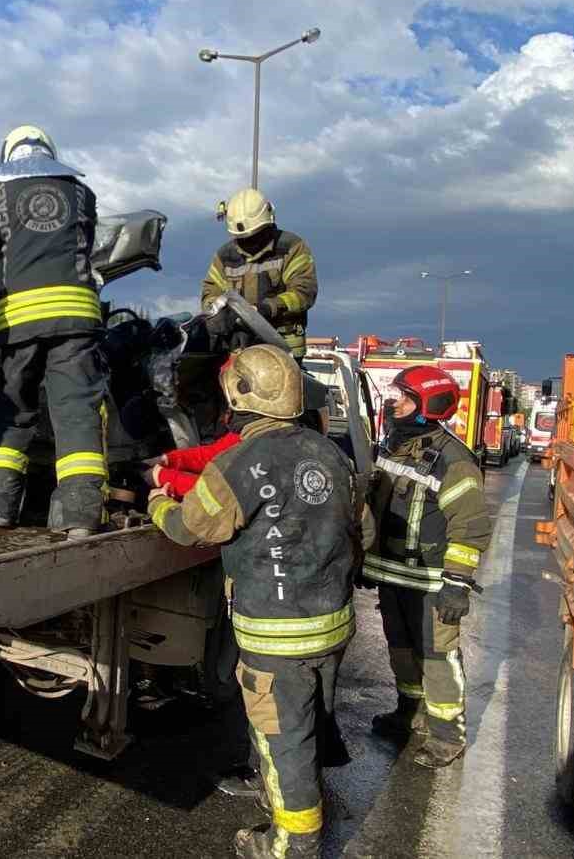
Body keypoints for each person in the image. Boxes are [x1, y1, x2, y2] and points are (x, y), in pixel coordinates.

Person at [146, 344, 358, 859]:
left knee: (282, 738)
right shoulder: (329, 453)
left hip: (275, 631)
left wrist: (156, 502)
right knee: (308, 725)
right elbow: (359, 530)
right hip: (332, 622)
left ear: (240, 393)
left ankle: (291, 844)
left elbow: (192, 527)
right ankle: (280, 793)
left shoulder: (241, 461)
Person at [0, 125, 107, 537]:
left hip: (16, 319)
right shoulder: (81, 192)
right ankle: (81, 515)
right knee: (75, 412)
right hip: (76, 318)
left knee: (12, 414)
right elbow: (84, 244)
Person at [363, 364, 492, 768]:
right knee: (401, 648)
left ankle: (446, 735)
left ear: (428, 405)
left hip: (433, 581)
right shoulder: (393, 447)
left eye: (403, 396)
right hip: (392, 573)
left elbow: (469, 527)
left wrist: (457, 583)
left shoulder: (454, 460)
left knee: (437, 656)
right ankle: (410, 712)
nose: (393, 403)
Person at [199, 188, 318, 359]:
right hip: (237, 352)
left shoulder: (291, 247)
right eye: (243, 238)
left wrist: (267, 308)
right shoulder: (225, 256)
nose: (249, 242)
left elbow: (304, 292)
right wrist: (222, 313)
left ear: (268, 224)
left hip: (283, 351)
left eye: (255, 236)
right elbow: (210, 293)